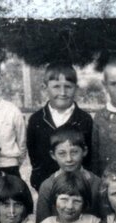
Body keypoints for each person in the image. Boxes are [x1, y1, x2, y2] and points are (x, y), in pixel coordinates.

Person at [27, 62, 94, 190]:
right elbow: (33, 155)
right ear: (44, 87)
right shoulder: (36, 119)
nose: (62, 92)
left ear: (76, 88)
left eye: (68, 87)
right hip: (46, 184)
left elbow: (89, 156)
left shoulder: (84, 119)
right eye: (56, 87)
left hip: (78, 187)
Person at [34, 127, 103, 220]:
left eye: (74, 152)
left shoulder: (97, 183)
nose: (69, 159)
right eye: (62, 153)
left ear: (84, 151)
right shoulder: (47, 186)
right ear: (53, 155)